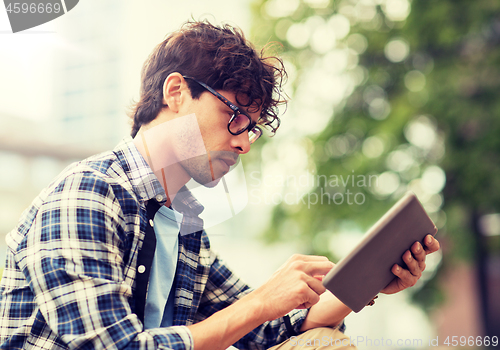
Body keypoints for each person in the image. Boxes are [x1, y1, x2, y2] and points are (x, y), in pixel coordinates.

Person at [0, 20, 440, 350]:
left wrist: (366, 281)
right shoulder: (88, 194)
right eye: (234, 116)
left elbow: (267, 331)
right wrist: (260, 300)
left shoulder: (184, 228)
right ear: (176, 92)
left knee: (321, 343)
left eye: (252, 128)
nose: (244, 143)